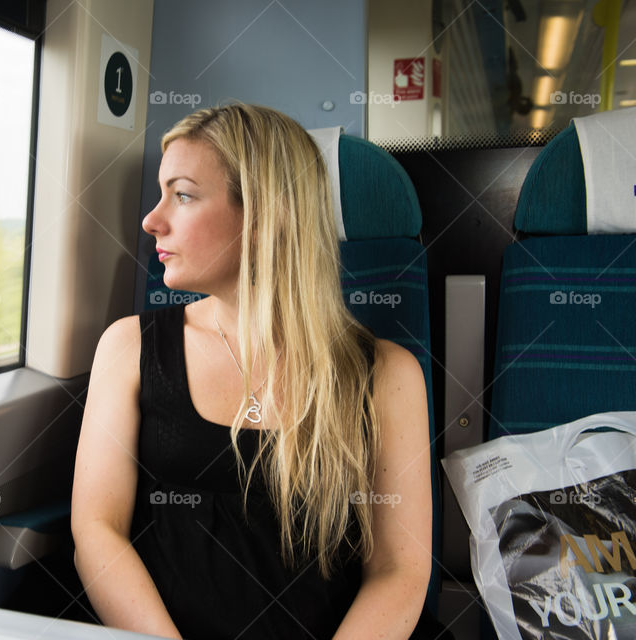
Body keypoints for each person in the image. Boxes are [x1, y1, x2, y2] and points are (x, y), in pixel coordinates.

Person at [71, 103, 446, 639]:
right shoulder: (129, 346)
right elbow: (97, 530)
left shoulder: (386, 374)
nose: (152, 220)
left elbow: (399, 571)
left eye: (182, 194)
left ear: (267, 214)